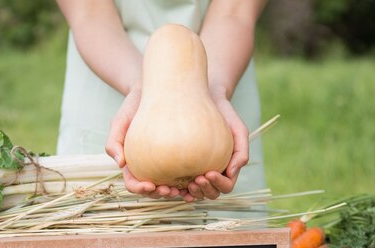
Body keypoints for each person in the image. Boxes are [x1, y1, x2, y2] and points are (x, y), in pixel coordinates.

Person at [55, 0, 268, 205]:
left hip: (221, 65)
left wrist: (216, 89)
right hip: (109, 64)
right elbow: (89, 12)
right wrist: (140, 87)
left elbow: (235, 12)